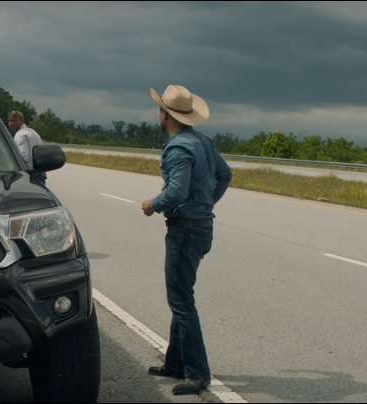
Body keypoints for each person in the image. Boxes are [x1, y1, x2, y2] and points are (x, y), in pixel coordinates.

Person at [140, 84, 232, 395]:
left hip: (186, 230)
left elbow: (176, 190)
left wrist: (154, 204)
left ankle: (197, 373)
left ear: (164, 114)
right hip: (201, 226)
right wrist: (205, 202)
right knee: (181, 295)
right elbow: (225, 175)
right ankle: (175, 363)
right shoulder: (203, 142)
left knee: (181, 302)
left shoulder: (179, 147)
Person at [7, 110, 47, 184]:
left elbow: (23, 158)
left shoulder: (20, 135)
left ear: (21, 121)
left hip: (28, 177)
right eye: (9, 121)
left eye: (13, 120)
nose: (10, 123)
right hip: (40, 176)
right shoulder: (33, 132)